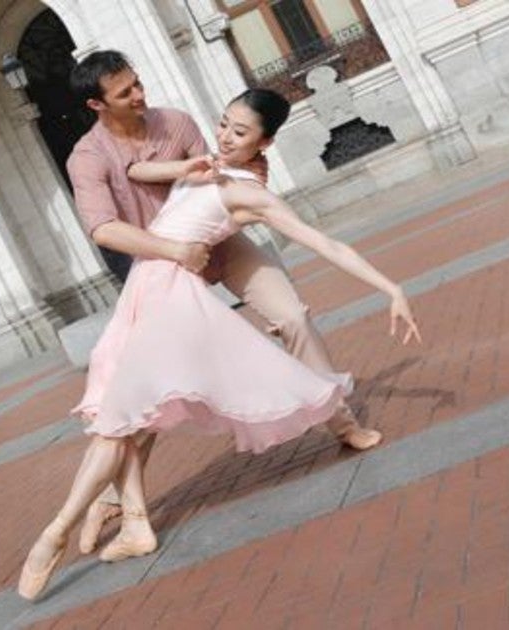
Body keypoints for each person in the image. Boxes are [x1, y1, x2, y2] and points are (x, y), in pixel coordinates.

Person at [15, 87, 421, 601]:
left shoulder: (247, 191)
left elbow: (321, 242)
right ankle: (123, 518)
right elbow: (138, 175)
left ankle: (56, 532)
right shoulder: (203, 166)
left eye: (240, 132)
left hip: (173, 297)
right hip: (146, 289)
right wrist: (182, 170)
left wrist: (392, 287)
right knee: (120, 417)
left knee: (120, 418)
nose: (225, 137)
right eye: (224, 124)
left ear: (265, 142)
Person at [62, 51, 383, 558]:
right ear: (96, 104)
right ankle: (113, 501)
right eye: (126, 93)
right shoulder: (87, 157)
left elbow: (217, 175)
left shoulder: (175, 122)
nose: (140, 96)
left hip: (220, 243)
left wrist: (253, 175)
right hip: (160, 264)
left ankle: (343, 422)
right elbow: (103, 229)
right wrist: (173, 250)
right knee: (149, 393)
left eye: (138, 83)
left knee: (292, 315)